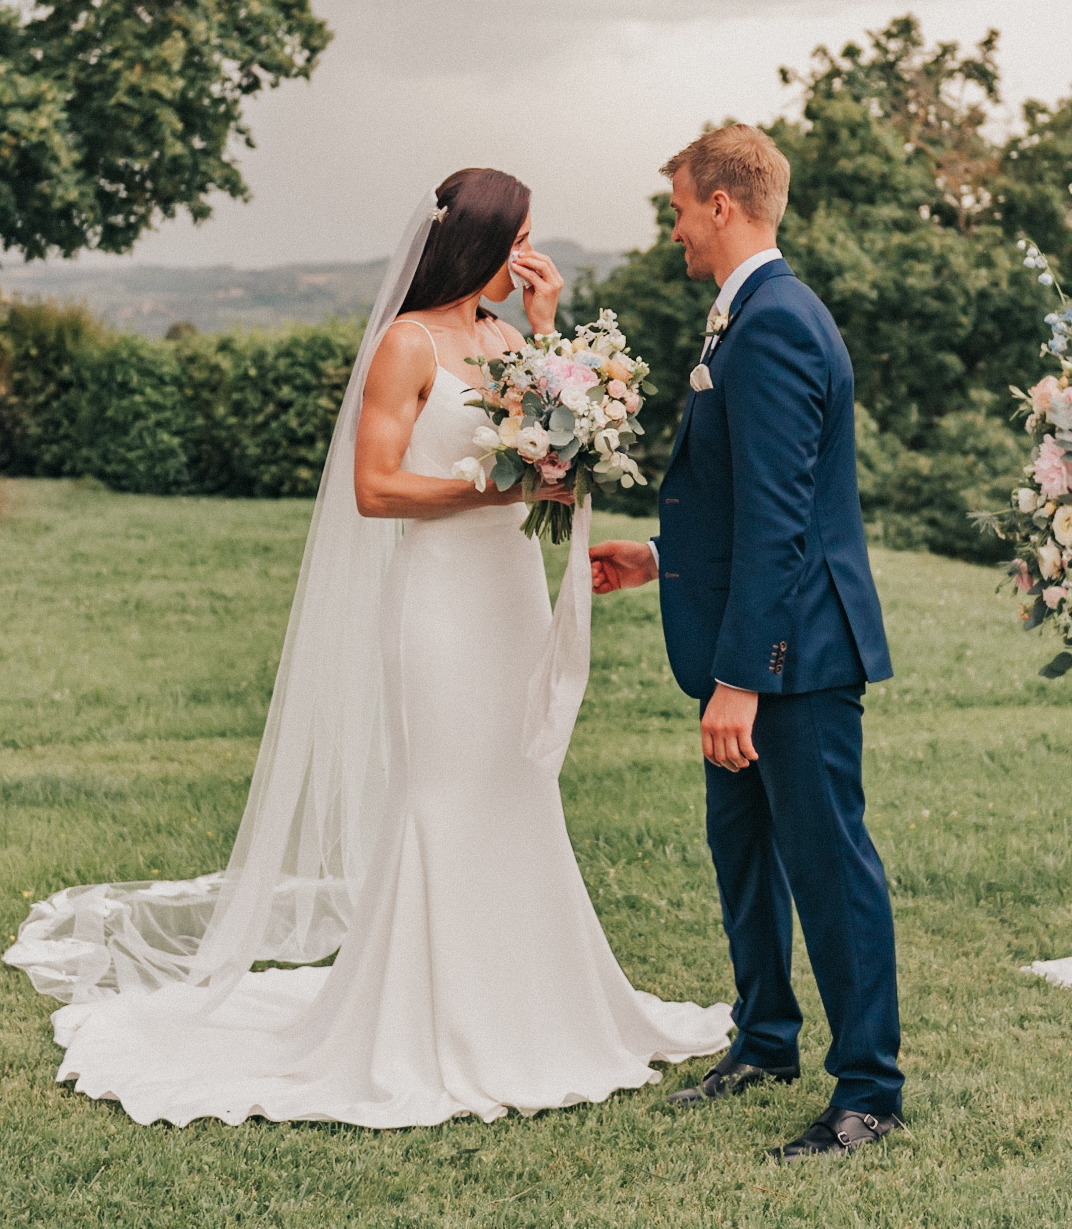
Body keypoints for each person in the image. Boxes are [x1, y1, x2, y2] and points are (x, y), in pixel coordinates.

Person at [6, 167, 731, 1128]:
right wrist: (496, 490)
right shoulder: (407, 342)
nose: (528, 254)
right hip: (439, 599)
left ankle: (534, 1004)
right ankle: (428, 1023)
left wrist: (552, 325)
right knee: (442, 791)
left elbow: (553, 435)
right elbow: (376, 490)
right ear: (480, 241)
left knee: (517, 784)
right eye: (519, 237)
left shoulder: (509, 337)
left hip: (510, 594)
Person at [590, 125, 905, 1162]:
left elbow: (780, 520)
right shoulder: (744, 319)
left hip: (792, 657)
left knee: (827, 866)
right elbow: (740, 501)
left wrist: (740, 681)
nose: (674, 227)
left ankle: (867, 1093)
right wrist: (652, 551)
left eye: (679, 206)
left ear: (721, 204)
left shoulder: (772, 325)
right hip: (756, 643)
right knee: (743, 855)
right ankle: (763, 1040)